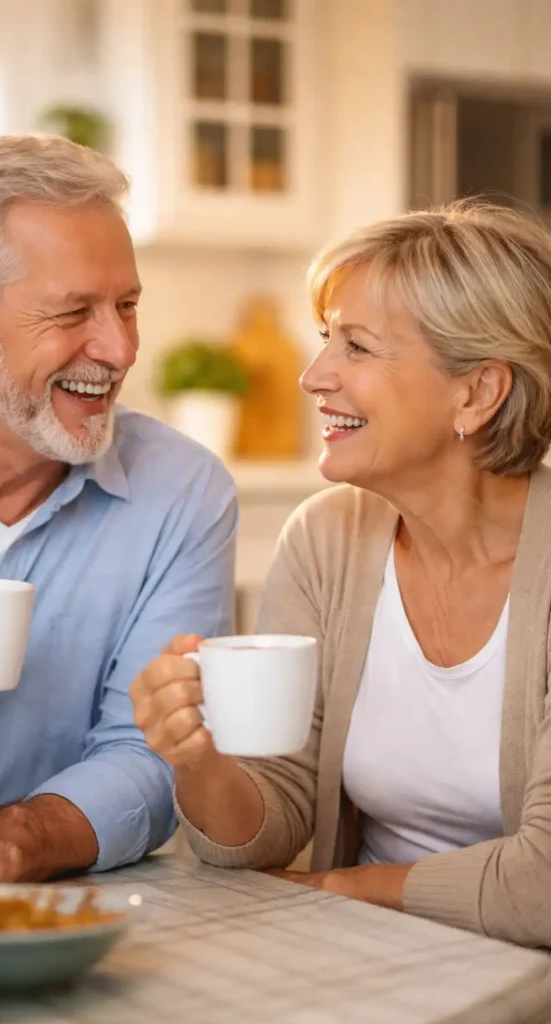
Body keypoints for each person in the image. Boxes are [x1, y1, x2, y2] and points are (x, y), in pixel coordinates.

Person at [132, 201, 551, 948]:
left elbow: (540, 886)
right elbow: (265, 827)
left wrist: (334, 888)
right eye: (327, 339)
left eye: (355, 348)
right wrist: (198, 760)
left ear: (476, 392)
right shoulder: (327, 537)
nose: (311, 376)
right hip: (362, 955)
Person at [0, 134, 237, 884]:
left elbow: (148, 753)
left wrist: (0, 848)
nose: (119, 347)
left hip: (63, 914)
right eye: (73, 312)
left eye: (127, 305)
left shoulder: (184, 490)